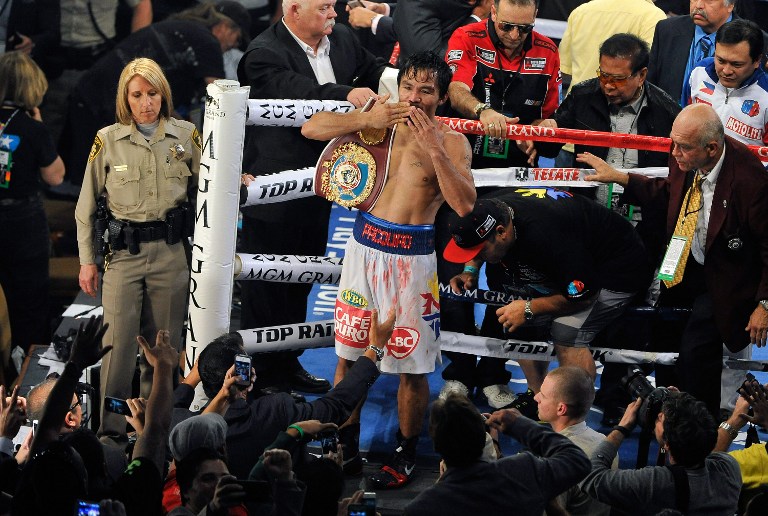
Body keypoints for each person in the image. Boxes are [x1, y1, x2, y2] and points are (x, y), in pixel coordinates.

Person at [301, 50, 476, 488]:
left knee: (412, 365)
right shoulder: (376, 120)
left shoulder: (452, 141)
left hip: (413, 260)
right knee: (348, 352)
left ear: (441, 98)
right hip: (364, 249)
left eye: (426, 91)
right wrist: (362, 120)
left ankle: (405, 451)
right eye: (409, 88)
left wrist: (435, 147)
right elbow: (311, 128)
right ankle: (344, 441)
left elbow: (465, 205)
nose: (414, 99)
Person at [236, 0, 387, 397]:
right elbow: (301, 94)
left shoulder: (340, 40)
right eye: (324, 8)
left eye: (333, 7)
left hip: (319, 185)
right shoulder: (262, 55)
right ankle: (261, 376)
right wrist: (349, 95)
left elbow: (374, 68)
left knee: (301, 280)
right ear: (294, 10)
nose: (334, 14)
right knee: (265, 286)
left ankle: (285, 365)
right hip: (273, 189)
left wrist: (400, 86)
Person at [580, 103, 768, 419]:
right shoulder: (683, 149)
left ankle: (699, 425)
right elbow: (672, 191)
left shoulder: (752, 182)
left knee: (696, 351)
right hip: (684, 256)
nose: (675, 153)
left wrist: (764, 305)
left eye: (683, 148)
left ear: (711, 148)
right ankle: (668, 415)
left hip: (726, 273)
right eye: (673, 143)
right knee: (662, 335)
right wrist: (622, 177)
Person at [439, 0, 561, 410]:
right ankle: (457, 370)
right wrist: (482, 110)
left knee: (506, 277)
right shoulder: (466, 36)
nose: (514, 37)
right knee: (457, 272)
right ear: (492, 14)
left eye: (523, 29)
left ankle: (492, 370)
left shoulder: (546, 51)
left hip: (512, 182)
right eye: (507, 27)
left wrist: (543, 129)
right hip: (463, 174)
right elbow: (454, 89)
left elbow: (548, 120)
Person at [75, 57, 200, 443]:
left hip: (170, 252)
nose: (146, 102)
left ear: (163, 94)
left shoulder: (187, 135)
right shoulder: (108, 140)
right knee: (117, 350)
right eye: (137, 95)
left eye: (152, 93)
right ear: (125, 99)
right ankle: (109, 435)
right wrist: (86, 261)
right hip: (123, 256)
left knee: (162, 350)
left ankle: (152, 429)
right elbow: (85, 207)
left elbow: (208, 190)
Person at [443, 190, 651, 412]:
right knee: (516, 315)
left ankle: (573, 417)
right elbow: (479, 238)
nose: (477, 255)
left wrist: (531, 308)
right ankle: (540, 399)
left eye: (479, 252)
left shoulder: (549, 235)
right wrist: (470, 269)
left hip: (617, 269)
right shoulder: (491, 210)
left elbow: (584, 295)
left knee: (567, 332)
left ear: (502, 232)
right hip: (573, 261)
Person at [172, 311, 392, 480]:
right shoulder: (276, 410)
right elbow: (335, 406)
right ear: (247, 375)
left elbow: (165, 415)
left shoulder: (184, 429)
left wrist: (190, 381)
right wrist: (374, 349)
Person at [60, 1, 244, 188]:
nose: (234, 46)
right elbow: (222, 101)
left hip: (96, 94)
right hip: (108, 103)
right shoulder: (207, 41)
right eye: (237, 39)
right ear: (225, 27)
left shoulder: (183, 30)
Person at [403, 395, 591, 515]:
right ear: (481, 436)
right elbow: (578, 461)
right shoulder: (525, 471)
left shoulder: (423, 507)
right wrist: (520, 425)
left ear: (436, 446)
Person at [581, 391, 741, 515]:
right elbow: (698, 440)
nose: (658, 417)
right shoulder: (728, 469)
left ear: (668, 445)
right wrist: (682, 406)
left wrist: (622, 428)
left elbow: (591, 478)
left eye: (660, 419)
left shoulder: (655, 483)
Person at [0, 51, 65, 356]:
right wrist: (40, 128)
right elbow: (55, 176)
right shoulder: (32, 128)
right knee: (29, 297)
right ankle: (28, 364)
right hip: (22, 220)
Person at [534, 367, 615, 516]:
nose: (536, 397)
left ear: (561, 409)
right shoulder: (605, 444)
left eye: (543, 396)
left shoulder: (555, 461)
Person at [685, 19, 768, 160]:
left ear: (757, 61)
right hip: (697, 170)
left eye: (736, 64)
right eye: (720, 60)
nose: (726, 71)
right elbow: (685, 120)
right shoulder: (699, 72)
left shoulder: (765, 94)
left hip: (748, 178)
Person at [557, 0, 665, 91]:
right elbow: (650, 72)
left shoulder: (580, 11)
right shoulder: (653, 16)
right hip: (618, 110)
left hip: (576, 105)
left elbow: (564, 67)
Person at [647, 0, 736, 105]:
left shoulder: (752, 41)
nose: (698, 5)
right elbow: (650, 87)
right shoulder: (667, 29)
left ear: (730, 5)